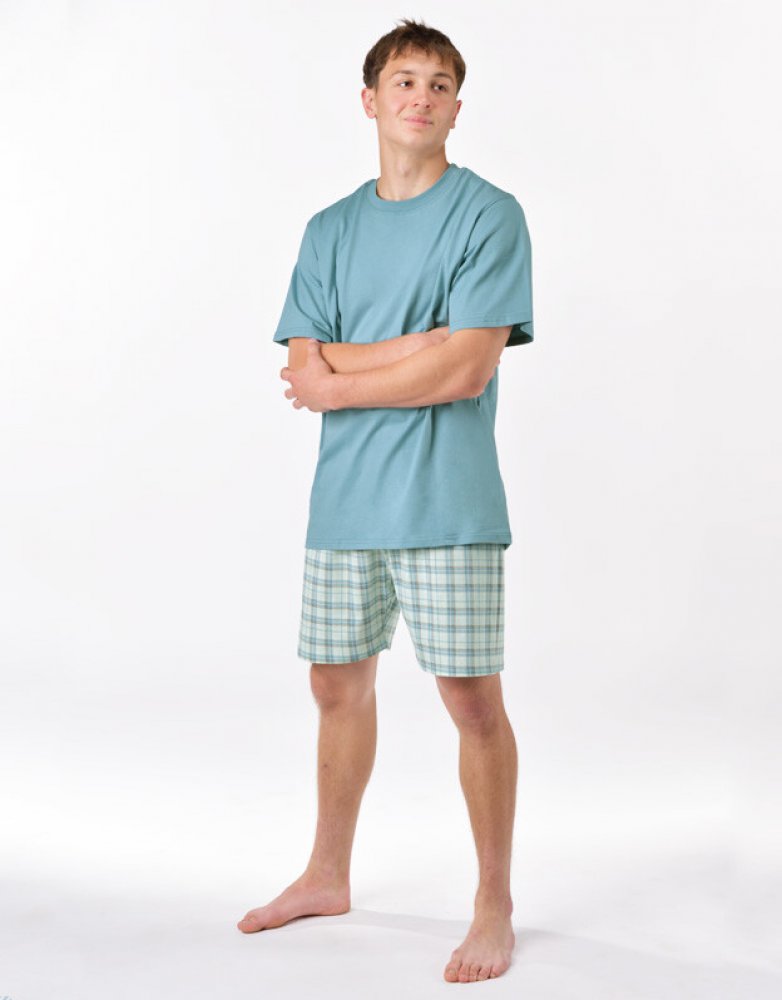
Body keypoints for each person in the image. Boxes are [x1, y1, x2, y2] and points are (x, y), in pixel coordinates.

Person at [237, 18, 534, 985]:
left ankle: (493, 901)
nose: (421, 96)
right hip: (346, 505)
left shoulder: (489, 215)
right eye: (404, 80)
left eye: (440, 84)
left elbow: (467, 367)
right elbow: (303, 370)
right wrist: (413, 346)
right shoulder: (328, 230)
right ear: (370, 100)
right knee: (335, 686)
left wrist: (347, 376)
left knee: (471, 701)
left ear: (456, 108)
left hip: (447, 503)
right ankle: (327, 874)